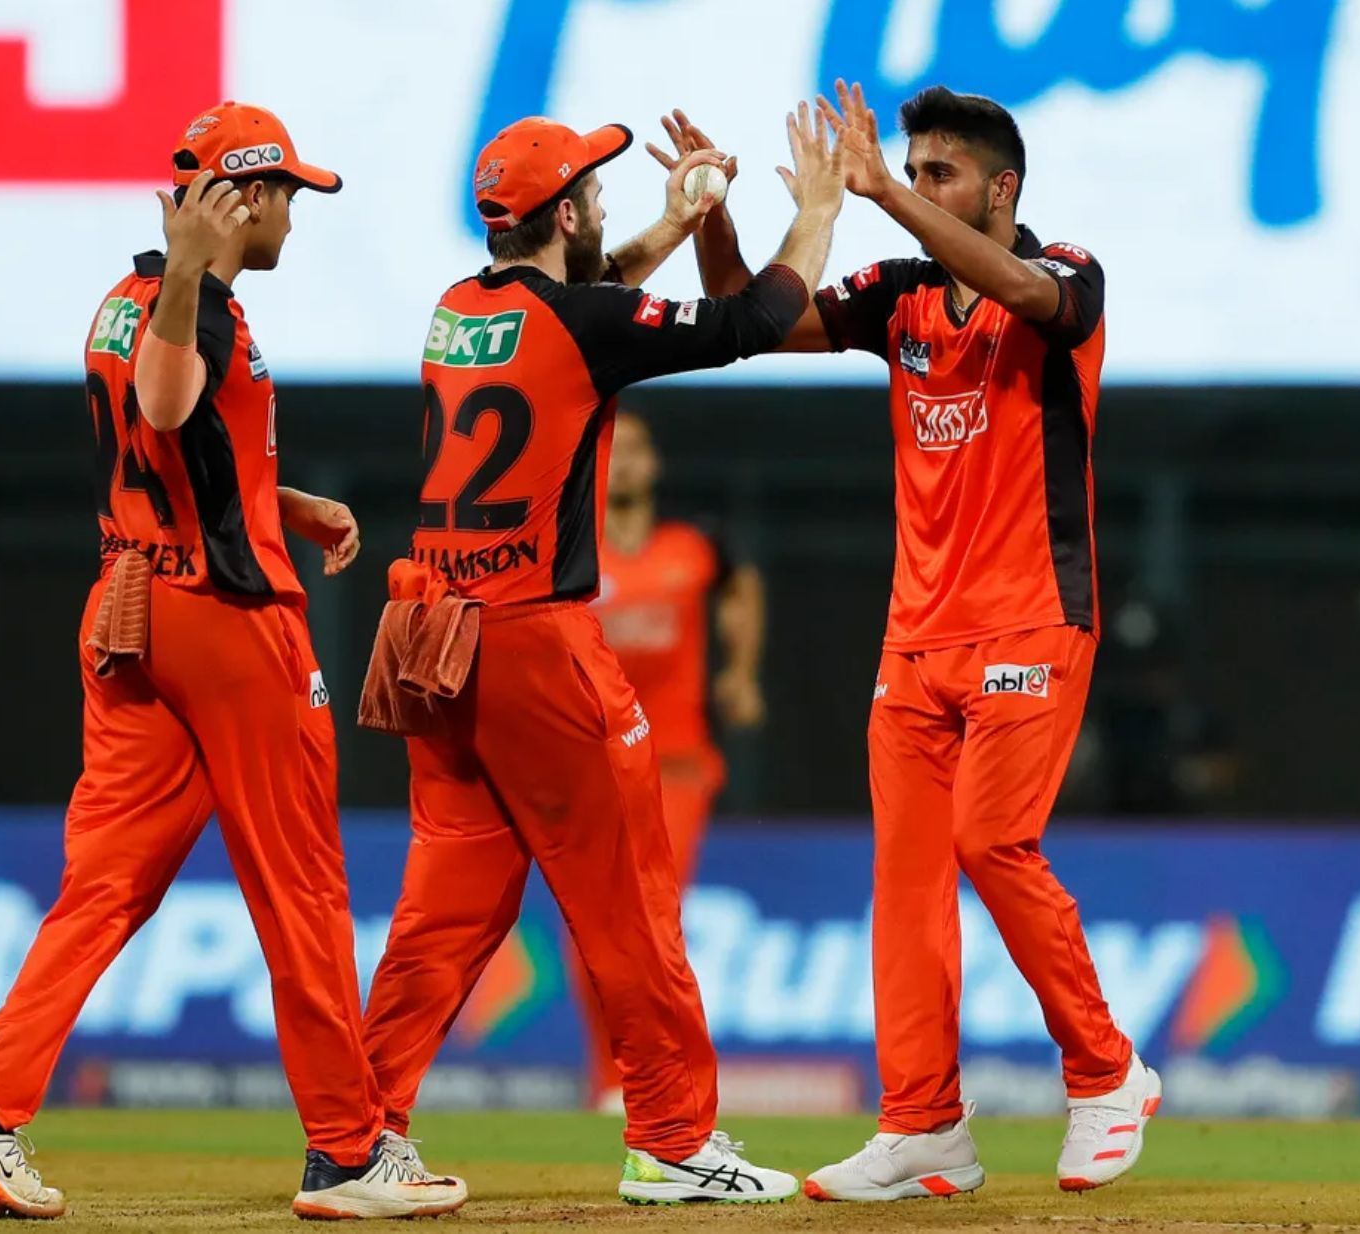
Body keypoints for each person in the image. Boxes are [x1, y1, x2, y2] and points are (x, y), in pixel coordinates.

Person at [0, 102, 466, 1222]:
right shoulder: (187, 301)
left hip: (125, 606)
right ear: (242, 199)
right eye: (286, 198)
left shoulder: (119, 304)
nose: (293, 221)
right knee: (300, 883)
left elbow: (164, 442)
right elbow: (169, 401)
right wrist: (189, 272)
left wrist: (279, 499)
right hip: (226, 620)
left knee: (102, 888)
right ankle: (348, 1153)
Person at [654, 82, 1160, 1201]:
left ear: (1001, 187)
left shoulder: (1066, 273)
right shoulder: (897, 296)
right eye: (913, 169)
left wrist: (878, 191)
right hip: (915, 640)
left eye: (941, 174)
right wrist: (714, 218)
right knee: (907, 880)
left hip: (1032, 615)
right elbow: (745, 318)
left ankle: (1107, 1069)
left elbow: (1026, 290)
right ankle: (924, 1125)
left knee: (992, 842)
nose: (922, 187)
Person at [357, 107, 842, 1205]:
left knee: (442, 915)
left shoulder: (455, 310)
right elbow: (754, 320)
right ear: (566, 212)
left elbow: (587, 306)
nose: (609, 213)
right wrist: (814, 214)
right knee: (630, 900)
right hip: (535, 639)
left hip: (435, 637)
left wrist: (672, 224)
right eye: (598, 198)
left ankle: (355, 1135)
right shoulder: (583, 319)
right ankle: (671, 1140)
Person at [578, 408, 765, 1108]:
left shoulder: (693, 546)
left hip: (676, 762)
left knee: (653, 917)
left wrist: (741, 671)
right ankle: (611, 1077)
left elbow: (742, 587)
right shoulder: (576, 547)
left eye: (635, 449)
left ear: (654, 465)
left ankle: (664, 1075)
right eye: (612, 450)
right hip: (590, 765)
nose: (624, 463)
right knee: (596, 925)